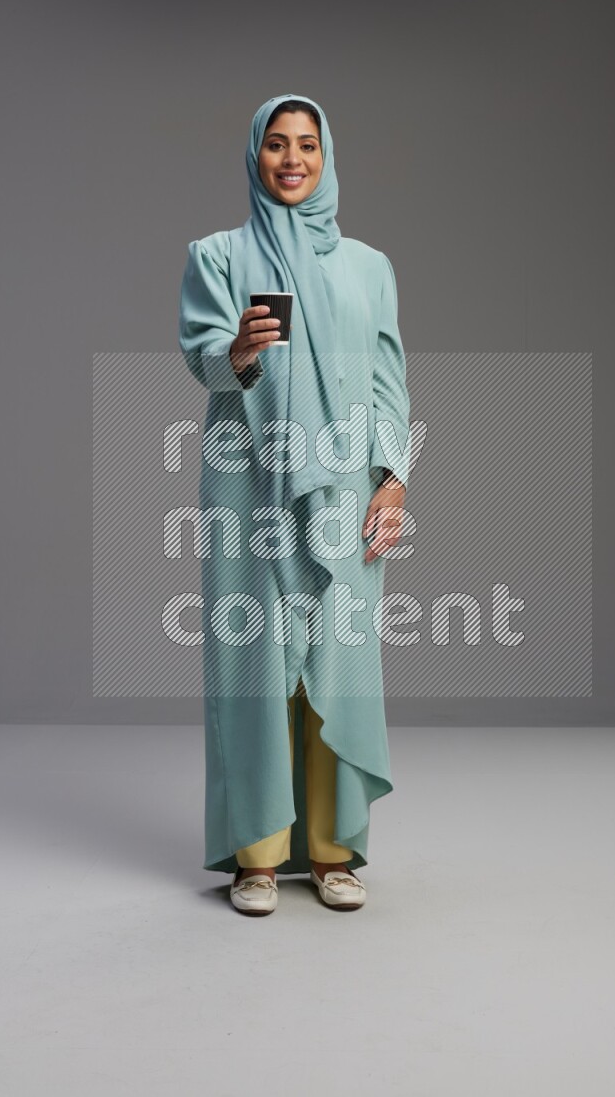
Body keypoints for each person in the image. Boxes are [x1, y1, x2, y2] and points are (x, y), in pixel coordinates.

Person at [178, 93, 412, 915]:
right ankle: (257, 857)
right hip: (249, 486)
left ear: (326, 155)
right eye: (276, 144)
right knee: (253, 665)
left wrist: (395, 479)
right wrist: (236, 351)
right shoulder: (216, 255)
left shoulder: (368, 267)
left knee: (338, 665)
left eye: (306, 145)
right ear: (255, 154)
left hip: (346, 488)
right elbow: (202, 362)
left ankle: (335, 851)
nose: (291, 159)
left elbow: (388, 384)